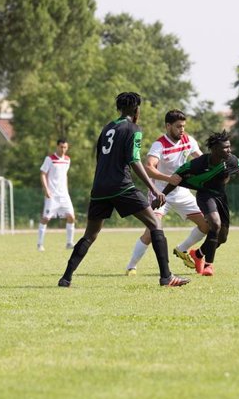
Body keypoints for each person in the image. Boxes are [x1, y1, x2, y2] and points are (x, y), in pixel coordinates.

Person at [57, 92, 190, 288]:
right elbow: (134, 159)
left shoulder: (107, 128)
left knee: (90, 235)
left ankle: (66, 278)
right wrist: (153, 188)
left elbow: (99, 158)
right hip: (121, 186)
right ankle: (166, 277)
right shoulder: (134, 129)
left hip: (100, 187)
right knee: (155, 224)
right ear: (136, 110)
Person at [152, 130, 239, 276]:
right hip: (205, 196)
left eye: (229, 146)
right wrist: (162, 196)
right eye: (225, 147)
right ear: (214, 149)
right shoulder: (198, 164)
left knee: (222, 238)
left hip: (221, 197)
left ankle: (198, 254)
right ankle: (209, 266)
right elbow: (176, 178)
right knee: (215, 224)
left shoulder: (230, 160)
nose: (229, 150)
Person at [124, 109, 209, 275]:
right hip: (161, 193)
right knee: (152, 231)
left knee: (206, 225)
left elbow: (201, 160)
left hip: (181, 193)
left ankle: (182, 249)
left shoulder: (188, 140)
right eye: (178, 126)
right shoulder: (159, 145)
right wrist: (168, 178)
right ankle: (131, 266)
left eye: (183, 126)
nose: (182, 129)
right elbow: (148, 168)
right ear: (168, 126)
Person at [37, 138, 75, 252]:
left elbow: (65, 176)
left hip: (64, 195)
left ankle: (69, 243)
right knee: (46, 218)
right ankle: (40, 244)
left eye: (65, 147)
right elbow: (43, 174)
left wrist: (66, 191)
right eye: (61, 147)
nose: (63, 149)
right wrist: (46, 189)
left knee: (71, 217)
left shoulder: (68, 160)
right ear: (57, 147)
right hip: (52, 195)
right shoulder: (49, 159)